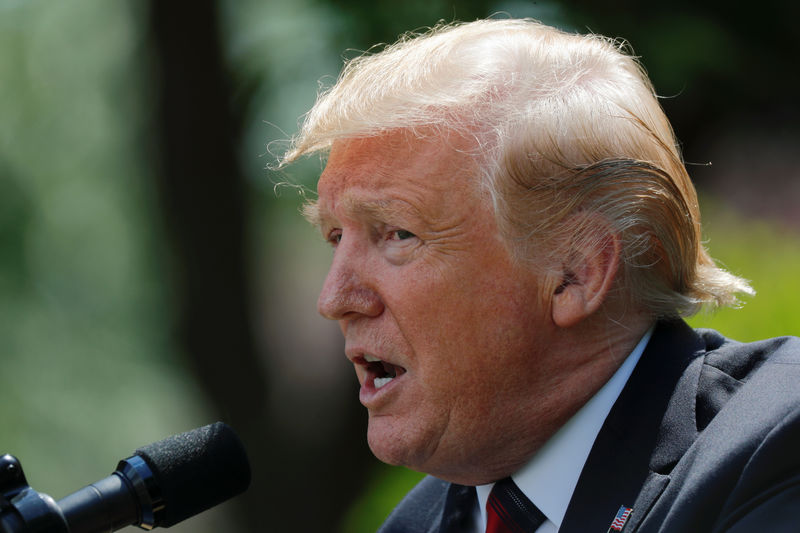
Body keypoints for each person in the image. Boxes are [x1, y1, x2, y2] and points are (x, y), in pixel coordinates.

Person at [280, 18, 800, 533]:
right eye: (334, 237)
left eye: (396, 233)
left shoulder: (773, 446)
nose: (334, 298)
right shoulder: (416, 524)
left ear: (576, 273)